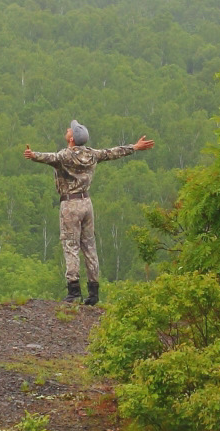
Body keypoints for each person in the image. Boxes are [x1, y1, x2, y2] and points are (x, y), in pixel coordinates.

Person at [24, 120, 154, 305]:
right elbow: (113, 152)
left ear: (71, 139)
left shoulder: (65, 156)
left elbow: (48, 157)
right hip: (87, 203)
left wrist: (32, 155)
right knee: (89, 246)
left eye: (69, 129)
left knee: (71, 245)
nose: (68, 129)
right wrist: (135, 147)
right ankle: (93, 293)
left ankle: (74, 290)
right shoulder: (92, 154)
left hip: (70, 204)